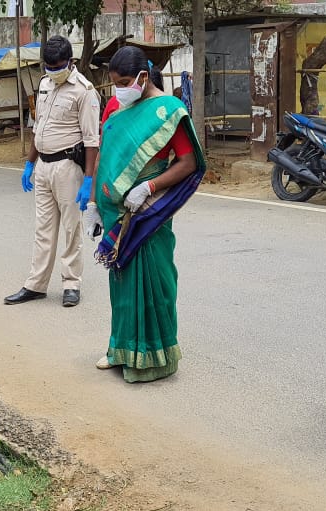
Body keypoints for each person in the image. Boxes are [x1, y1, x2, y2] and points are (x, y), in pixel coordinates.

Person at [87, 47, 206, 383]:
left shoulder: (169, 111)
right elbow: (103, 160)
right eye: (114, 84)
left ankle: (155, 357)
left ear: (142, 77)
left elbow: (188, 163)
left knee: (155, 281)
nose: (119, 90)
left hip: (148, 214)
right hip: (115, 216)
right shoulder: (116, 111)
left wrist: (149, 188)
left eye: (124, 82)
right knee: (121, 285)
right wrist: (94, 205)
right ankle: (120, 349)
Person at [3, 35, 100, 308]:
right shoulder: (44, 85)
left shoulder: (84, 91)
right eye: (49, 66)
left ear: (70, 62)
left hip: (68, 167)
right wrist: (30, 164)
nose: (53, 71)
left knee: (71, 228)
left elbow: (92, 140)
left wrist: (88, 180)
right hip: (43, 166)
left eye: (58, 66)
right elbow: (38, 128)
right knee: (43, 229)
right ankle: (36, 285)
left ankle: (71, 284)